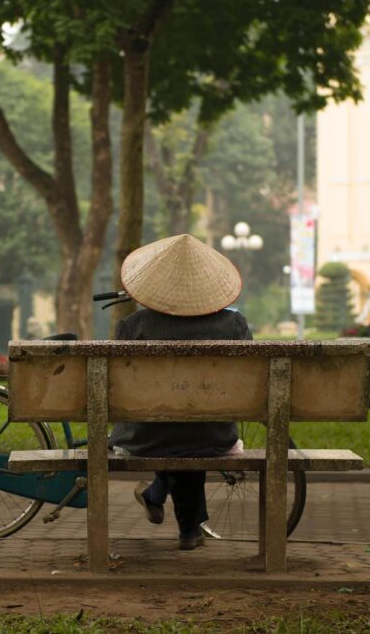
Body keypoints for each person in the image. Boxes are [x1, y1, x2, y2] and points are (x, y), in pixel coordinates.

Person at [109, 234, 251, 550]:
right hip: (213, 434)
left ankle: (161, 497)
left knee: (171, 426)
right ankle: (187, 527)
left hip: (147, 436)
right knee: (190, 427)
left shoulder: (133, 326)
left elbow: (116, 386)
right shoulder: (234, 326)